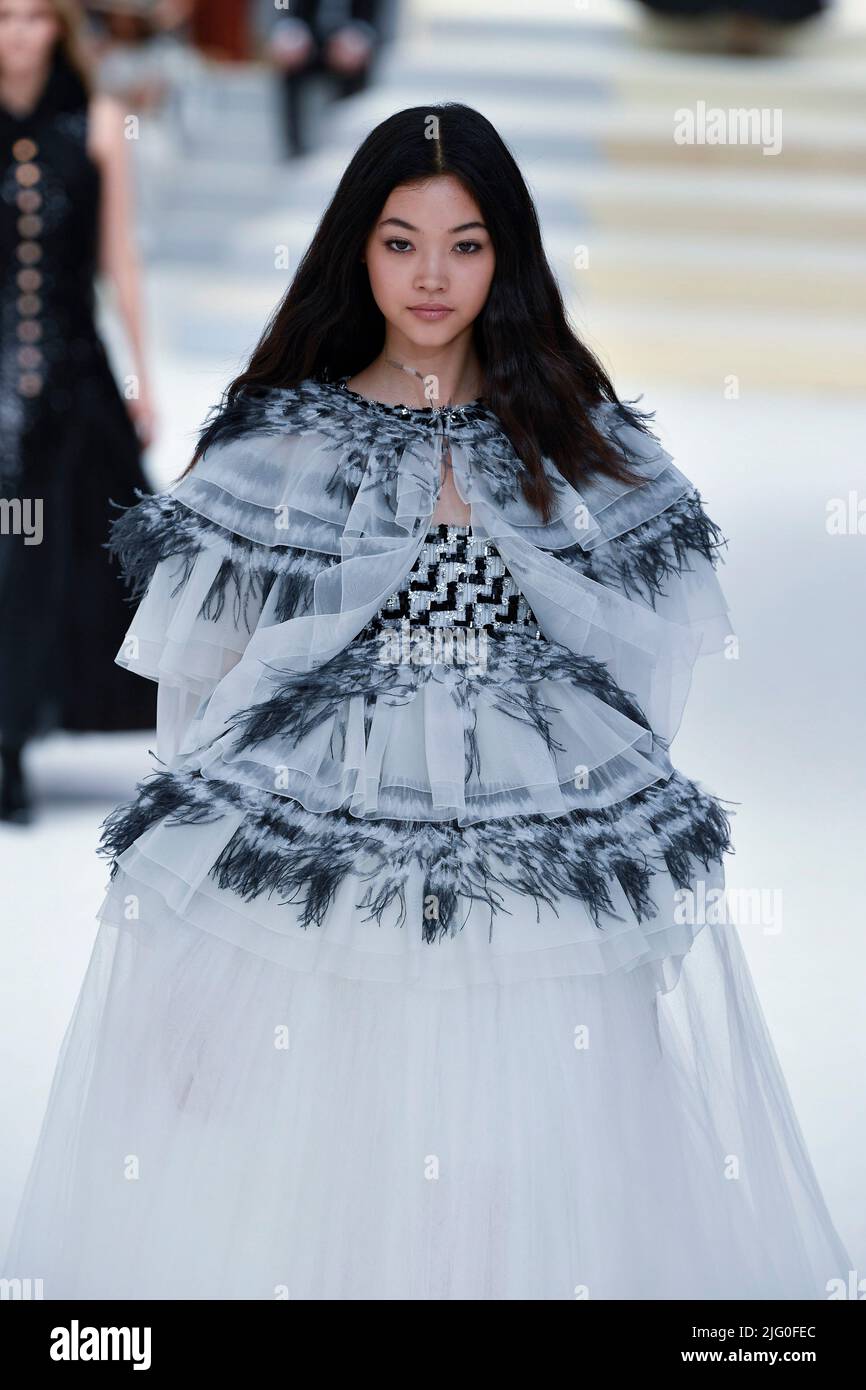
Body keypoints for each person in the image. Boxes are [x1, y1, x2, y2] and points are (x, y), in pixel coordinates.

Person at [1, 101, 853, 1299]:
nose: (431, 276)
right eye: (399, 241)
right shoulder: (280, 444)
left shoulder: (567, 438)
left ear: (506, 253)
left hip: (525, 815)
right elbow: (202, 691)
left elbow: (649, 648)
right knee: (341, 1109)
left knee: (531, 1112)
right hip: (323, 818)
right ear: (357, 248)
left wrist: (584, 786)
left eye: (463, 243)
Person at [0, 0, 157, 823]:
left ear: (56, 29)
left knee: (51, 556)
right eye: (2, 16)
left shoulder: (98, 122)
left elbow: (118, 256)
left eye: (31, 16)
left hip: (70, 376)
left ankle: (16, 733)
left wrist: (143, 377)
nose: (17, 32)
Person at [254, 0, 384, 158]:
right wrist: (285, 29)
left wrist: (361, 36)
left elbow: (380, 17)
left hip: (351, 34)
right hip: (305, 33)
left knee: (356, 60)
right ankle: (294, 148)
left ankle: (350, 146)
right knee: (291, 61)